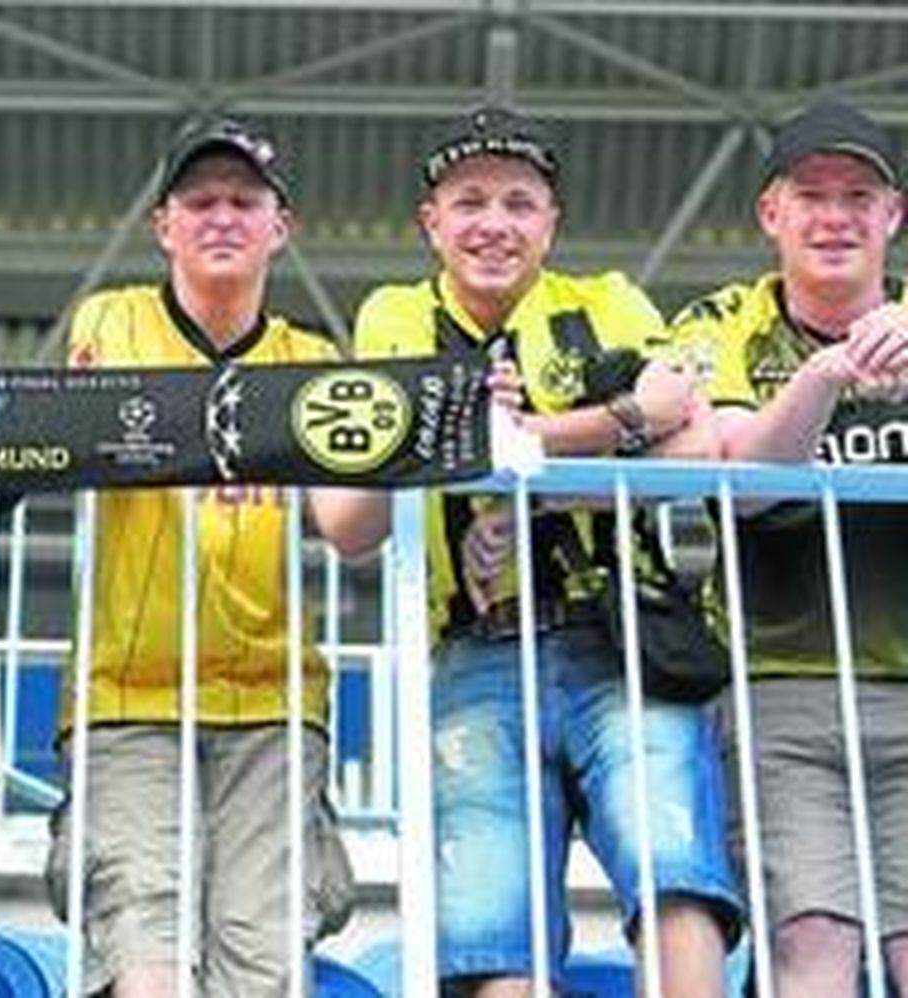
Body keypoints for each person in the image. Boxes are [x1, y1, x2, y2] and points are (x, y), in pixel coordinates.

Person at [349, 104, 741, 996]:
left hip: (626, 640)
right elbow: (396, 448)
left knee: (675, 871)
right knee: (493, 933)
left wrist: (531, 459)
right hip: (475, 645)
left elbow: (687, 436)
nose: (495, 224)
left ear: (551, 223)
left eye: (520, 204)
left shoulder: (606, 301)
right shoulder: (395, 315)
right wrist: (617, 424)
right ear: (431, 223)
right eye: (471, 201)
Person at [45, 116, 374, 998]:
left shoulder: (311, 359)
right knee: (143, 950)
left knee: (262, 968)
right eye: (200, 201)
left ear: (281, 226)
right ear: (164, 227)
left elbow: (348, 528)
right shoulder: (110, 319)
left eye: (244, 200)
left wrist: (405, 438)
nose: (221, 217)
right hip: (128, 689)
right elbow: (88, 432)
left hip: (272, 699)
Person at [672, 97, 908, 995]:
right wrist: (826, 376)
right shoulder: (720, 321)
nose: (836, 215)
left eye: (859, 196)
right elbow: (744, 484)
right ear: (772, 213)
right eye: (812, 194)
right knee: (812, 941)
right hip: (778, 682)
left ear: (894, 217)